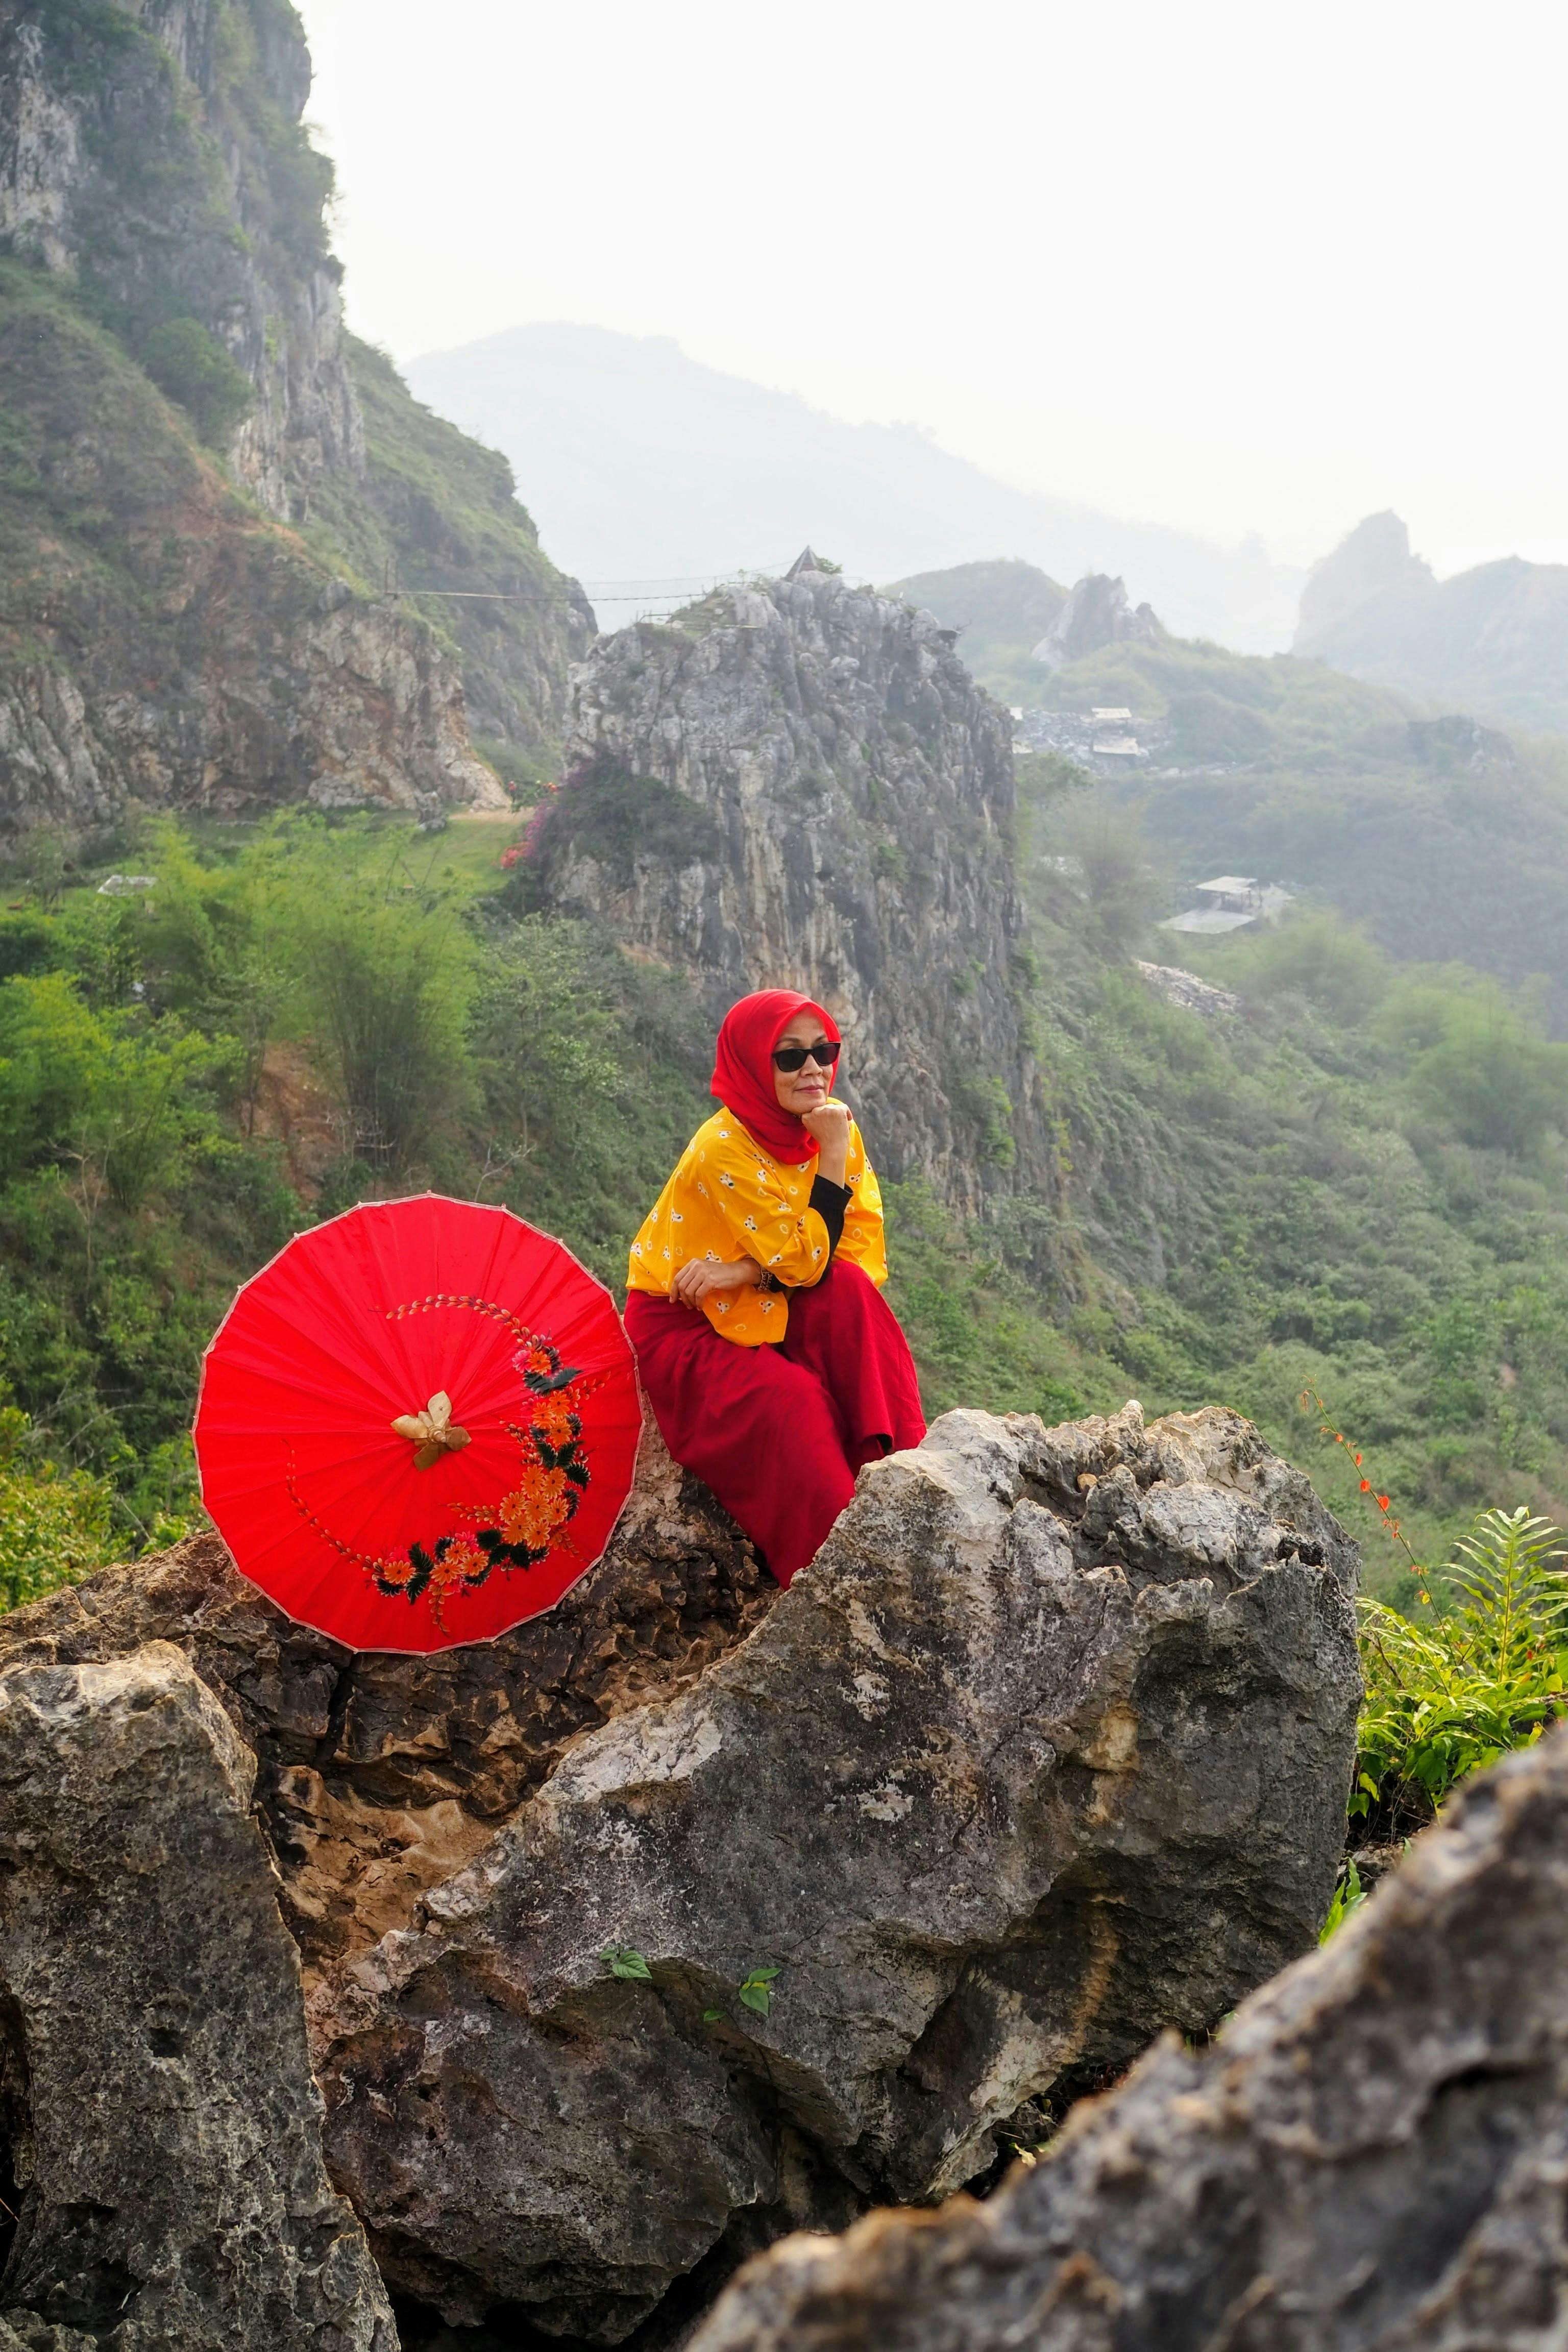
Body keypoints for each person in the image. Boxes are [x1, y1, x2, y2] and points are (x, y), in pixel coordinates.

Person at [624, 988, 926, 1585]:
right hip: (690, 1321)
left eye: (824, 1050)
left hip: (762, 1294)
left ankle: (898, 1471)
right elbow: (802, 1258)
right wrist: (832, 1160)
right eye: (789, 1057)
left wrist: (746, 1271)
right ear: (753, 1065)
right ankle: (843, 1571)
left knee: (851, 1292)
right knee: (792, 1402)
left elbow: (858, 1253)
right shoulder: (724, 1148)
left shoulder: (830, 1127)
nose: (813, 1068)